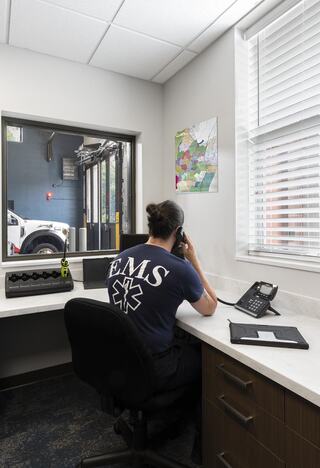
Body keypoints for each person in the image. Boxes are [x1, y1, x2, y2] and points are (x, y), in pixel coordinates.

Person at [107, 200, 217, 463]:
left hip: (120, 363)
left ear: (151, 227)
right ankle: (202, 450)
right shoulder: (180, 269)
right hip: (154, 368)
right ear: (179, 232)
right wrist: (194, 259)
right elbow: (211, 307)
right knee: (207, 362)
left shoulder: (118, 260)